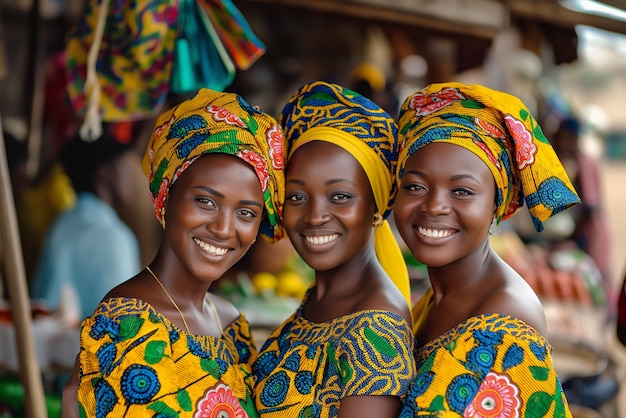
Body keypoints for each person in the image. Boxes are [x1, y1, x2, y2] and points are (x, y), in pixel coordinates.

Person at [64, 88, 286, 417]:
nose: (224, 229)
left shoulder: (229, 325)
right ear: (165, 198)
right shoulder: (127, 326)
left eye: (246, 213)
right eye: (206, 201)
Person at [393, 82, 578, 417]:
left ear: (498, 203)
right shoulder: (437, 298)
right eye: (415, 186)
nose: (434, 206)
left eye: (462, 191)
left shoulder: (502, 327)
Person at [252, 81, 415, 418]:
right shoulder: (320, 298)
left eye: (340, 196)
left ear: (376, 205)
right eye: (297, 197)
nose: (314, 216)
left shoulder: (376, 331)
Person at [31, 130, 140, 321]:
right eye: (122, 165)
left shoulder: (59, 226)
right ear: (104, 172)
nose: (129, 174)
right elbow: (125, 323)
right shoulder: (114, 236)